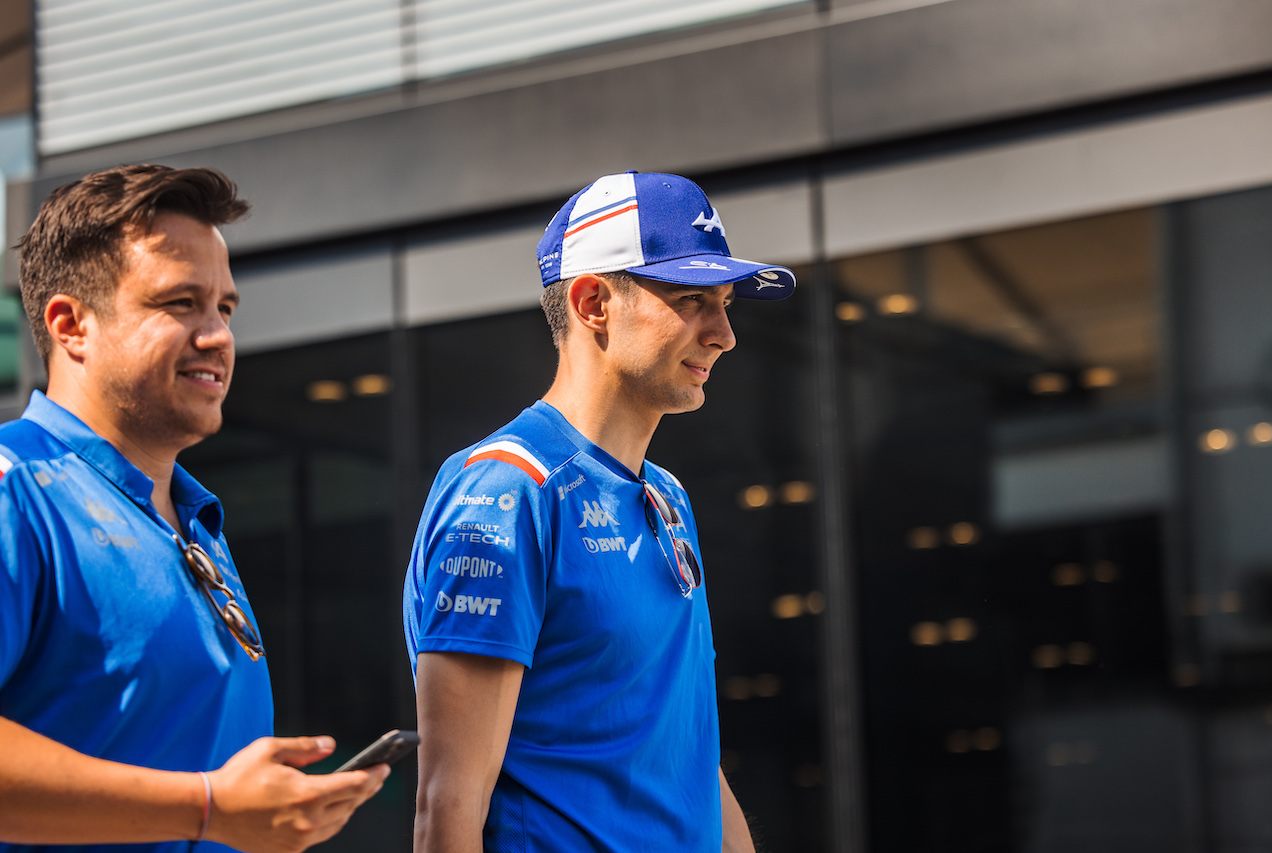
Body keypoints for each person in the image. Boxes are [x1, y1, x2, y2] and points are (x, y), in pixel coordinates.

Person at [402, 170, 795, 852]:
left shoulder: (666, 497)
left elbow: (685, 753)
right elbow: (449, 801)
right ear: (592, 302)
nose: (725, 333)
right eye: (693, 299)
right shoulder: (505, 489)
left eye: (727, 303)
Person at [0, 164, 388, 853]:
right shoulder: (17, 489)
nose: (218, 336)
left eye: (225, 308)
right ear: (72, 325)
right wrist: (208, 806)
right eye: (180, 303)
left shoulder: (191, 515)